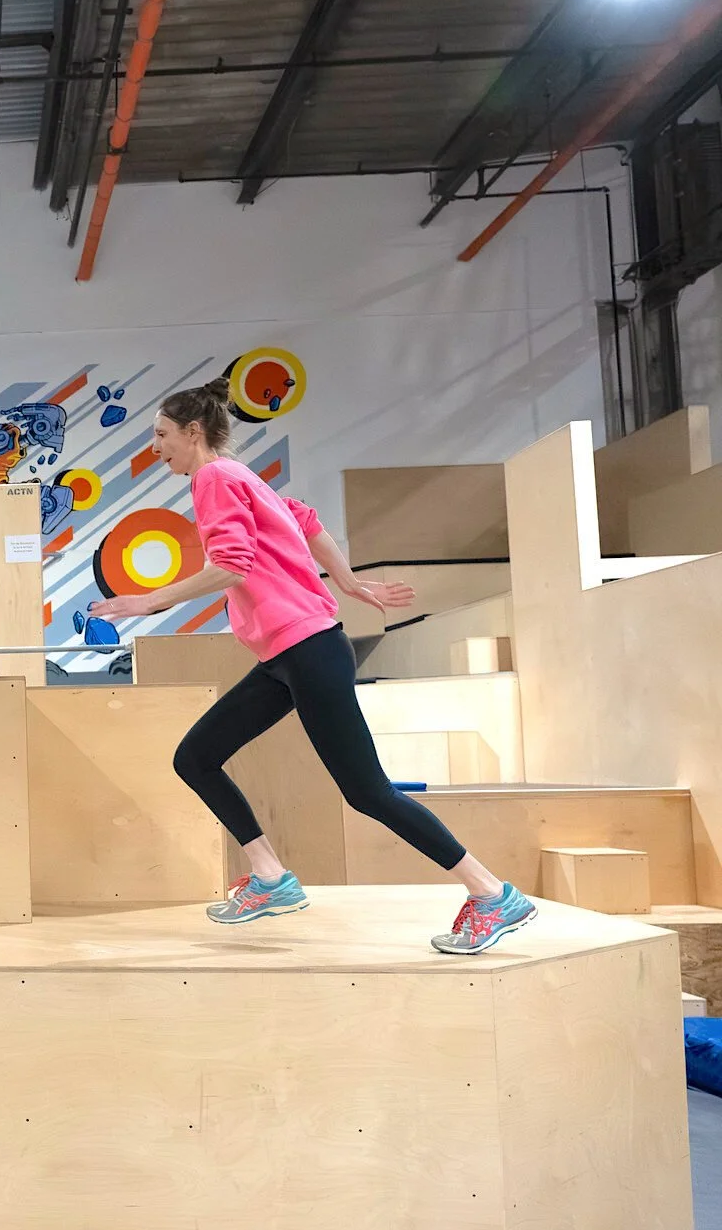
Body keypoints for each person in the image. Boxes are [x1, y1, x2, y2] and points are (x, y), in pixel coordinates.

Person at [88, 379, 536, 954]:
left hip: (307, 652)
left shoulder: (213, 478)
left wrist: (147, 602)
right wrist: (347, 583)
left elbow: (232, 565)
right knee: (195, 757)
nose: (155, 447)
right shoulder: (239, 475)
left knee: (368, 793)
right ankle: (270, 876)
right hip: (287, 656)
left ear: (193, 432)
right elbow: (305, 519)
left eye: (161, 435)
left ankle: (491, 892)